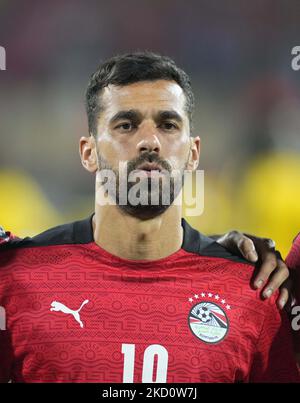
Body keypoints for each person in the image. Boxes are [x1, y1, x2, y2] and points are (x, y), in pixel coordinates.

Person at [0, 52, 298, 383]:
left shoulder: (252, 294)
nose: (149, 142)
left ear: (193, 153)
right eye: (126, 125)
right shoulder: (14, 283)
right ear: (88, 152)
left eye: (168, 125)